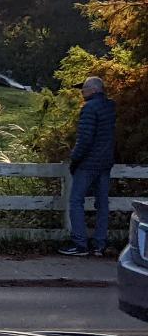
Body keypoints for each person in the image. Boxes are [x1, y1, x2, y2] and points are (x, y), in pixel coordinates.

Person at [60, 76, 117, 257]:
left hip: (88, 163)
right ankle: (99, 244)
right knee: (102, 204)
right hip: (105, 162)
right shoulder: (110, 107)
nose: (82, 92)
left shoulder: (89, 108)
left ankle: (80, 243)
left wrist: (74, 160)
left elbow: (85, 139)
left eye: (83, 89)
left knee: (76, 201)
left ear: (93, 90)